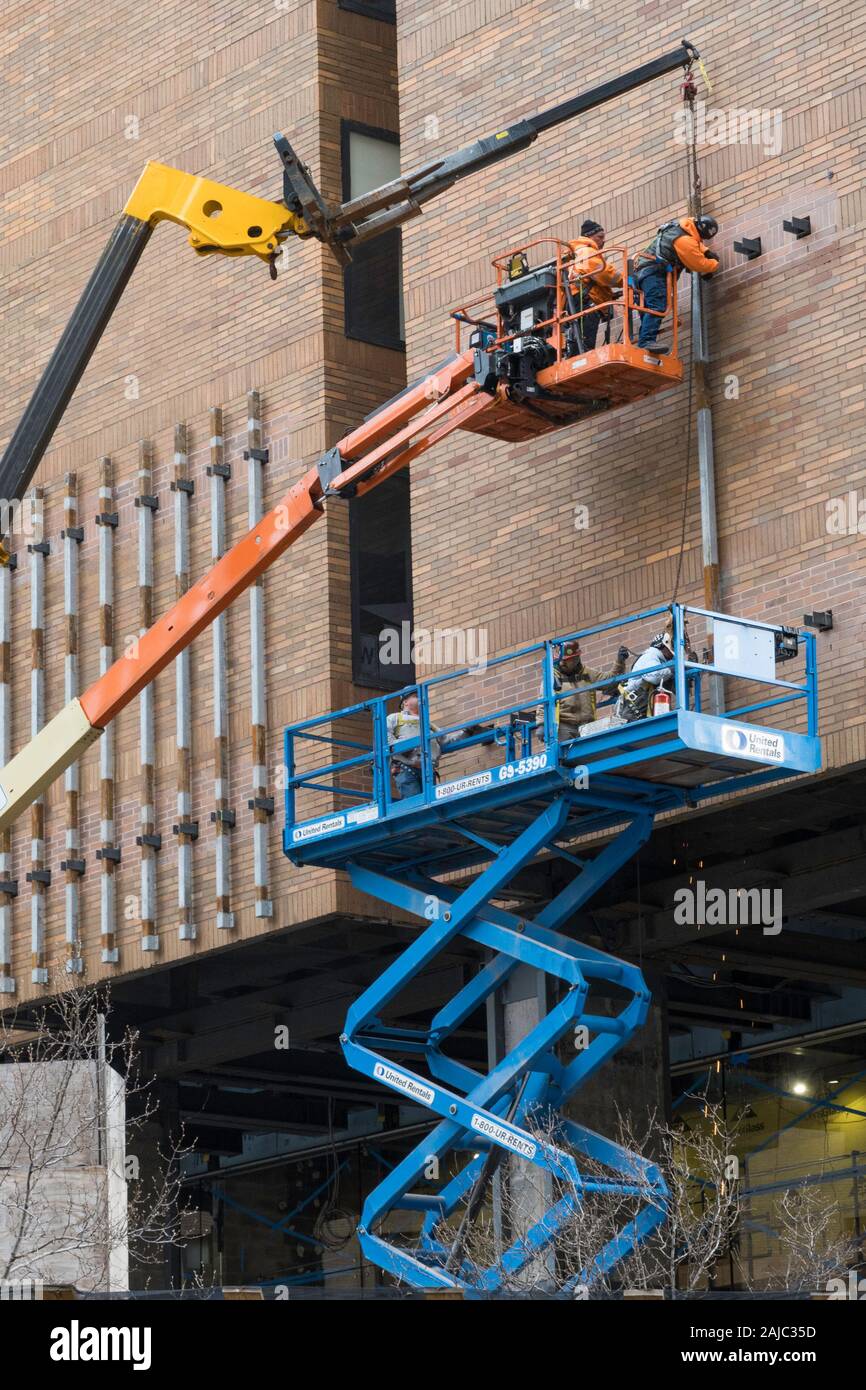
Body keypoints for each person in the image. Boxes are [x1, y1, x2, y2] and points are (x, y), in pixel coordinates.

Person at [634, 214, 720, 352]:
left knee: (648, 309)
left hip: (643, 274)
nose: (702, 241)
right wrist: (714, 264)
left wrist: (706, 251)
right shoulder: (684, 240)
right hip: (654, 274)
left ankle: (645, 343)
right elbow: (698, 264)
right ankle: (646, 342)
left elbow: (694, 244)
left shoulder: (681, 227)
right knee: (657, 306)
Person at [543, 640, 630, 742]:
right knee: (566, 755)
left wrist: (620, 662)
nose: (562, 663)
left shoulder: (586, 673)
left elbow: (609, 681)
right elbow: (543, 703)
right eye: (561, 660)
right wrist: (541, 725)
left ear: (576, 659)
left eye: (567, 660)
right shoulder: (552, 677)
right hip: (565, 727)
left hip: (586, 726)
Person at [566, 220, 623, 352]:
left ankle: (577, 357)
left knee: (578, 338)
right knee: (585, 341)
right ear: (589, 237)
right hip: (583, 300)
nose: (603, 241)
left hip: (575, 300)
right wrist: (626, 281)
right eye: (600, 237)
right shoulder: (587, 252)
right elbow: (605, 275)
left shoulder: (574, 254)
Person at [386, 690, 444, 800]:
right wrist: (403, 747)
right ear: (405, 702)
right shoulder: (395, 718)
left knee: (430, 804)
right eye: (416, 696)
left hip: (427, 769)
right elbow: (385, 736)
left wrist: (466, 732)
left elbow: (444, 738)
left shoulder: (428, 723)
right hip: (406, 767)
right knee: (415, 802)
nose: (420, 698)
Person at [615, 628, 676, 722]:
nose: (672, 655)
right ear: (663, 647)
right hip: (633, 710)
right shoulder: (650, 656)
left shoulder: (657, 660)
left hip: (638, 709)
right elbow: (654, 676)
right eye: (670, 649)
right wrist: (670, 669)